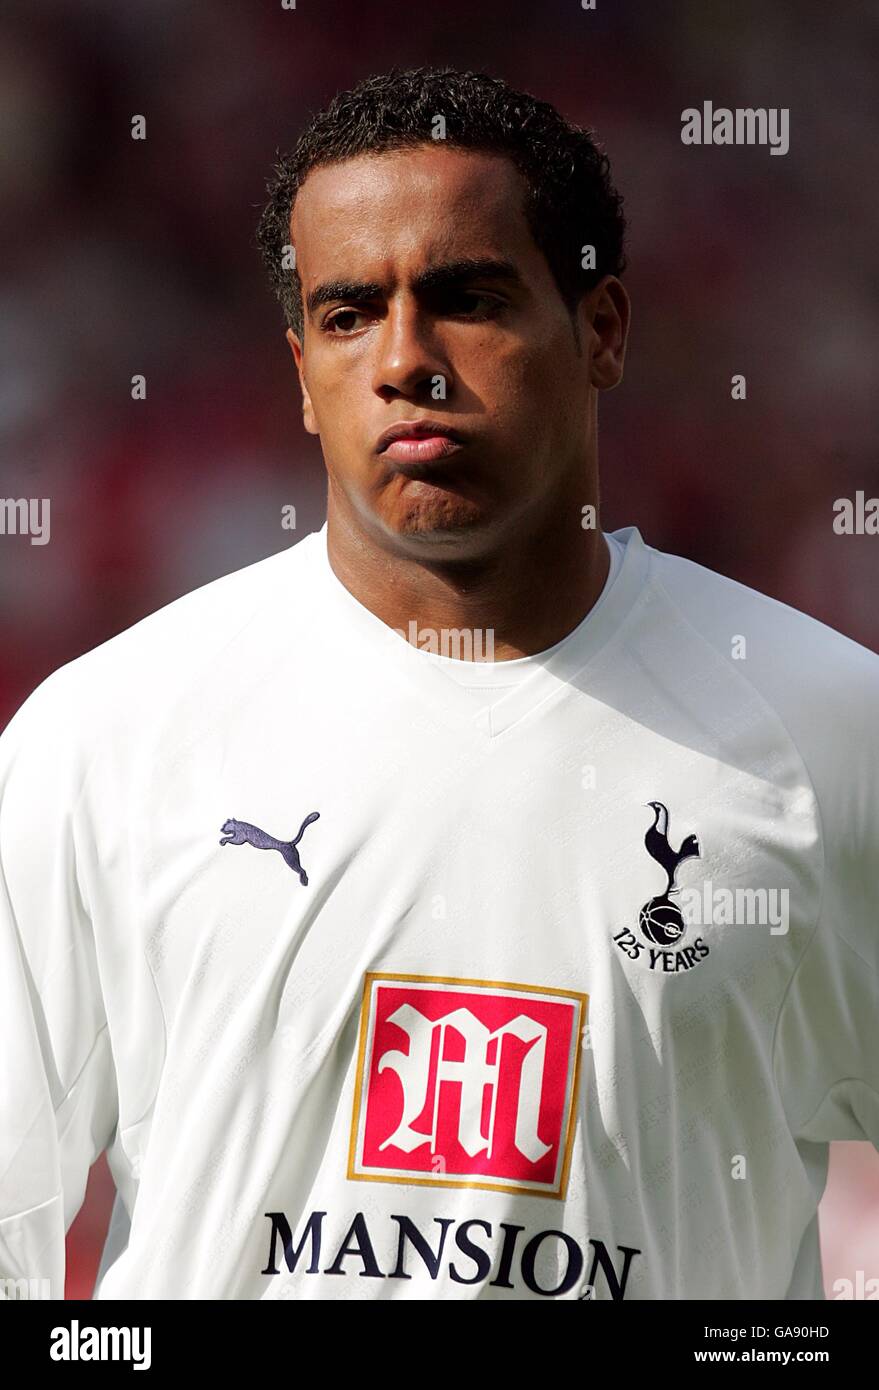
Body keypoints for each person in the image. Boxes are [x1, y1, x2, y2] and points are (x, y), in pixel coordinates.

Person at [1, 65, 876, 1302]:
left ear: (603, 329)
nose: (406, 359)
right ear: (302, 372)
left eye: (466, 299)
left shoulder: (832, 734)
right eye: (351, 315)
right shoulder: (108, 737)